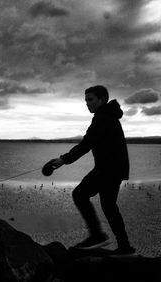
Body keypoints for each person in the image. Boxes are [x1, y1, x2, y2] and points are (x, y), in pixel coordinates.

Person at [46, 85, 135, 255]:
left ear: (101, 99)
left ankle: (97, 236)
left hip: (107, 169)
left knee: (79, 194)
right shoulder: (110, 116)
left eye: (90, 99)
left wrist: (64, 159)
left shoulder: (102, 118)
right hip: (114, 169)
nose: (87, 103)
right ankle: (125, 247)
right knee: (109, 206)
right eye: (85, 100)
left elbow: (86, 143)